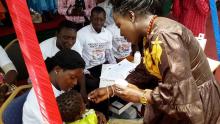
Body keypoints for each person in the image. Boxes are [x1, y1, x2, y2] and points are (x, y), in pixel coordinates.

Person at [88, 0, 220, 124]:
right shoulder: (148, 33)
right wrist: (111, 90)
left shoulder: (164, 36)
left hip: (194, 105)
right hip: (177, 101)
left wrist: (141, 95)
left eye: (119, 26)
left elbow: (182, 98)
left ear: (131, 16)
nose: (121, 33)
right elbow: (146, 70)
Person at [22, 49, 85, 124]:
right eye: (72, 77)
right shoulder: (42, 100)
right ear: (57, 70)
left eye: (78, 78)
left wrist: (92, 114)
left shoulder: (60, 86)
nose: (75, 83)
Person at [40, 20, 88, 102]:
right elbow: (39, 78)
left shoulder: (76, 45)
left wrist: (83, 90)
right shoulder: (42, 49)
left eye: (73, 38)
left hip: (68, 81)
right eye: (66, 37)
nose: (70, 42)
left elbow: (79, 69)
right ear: (57, 35)